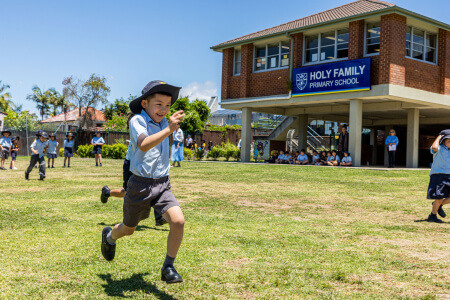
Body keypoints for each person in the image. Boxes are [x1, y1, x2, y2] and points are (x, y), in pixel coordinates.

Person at [101, 80, 186, 284]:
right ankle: (109, 237)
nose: (164, 109)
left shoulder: (166, 123)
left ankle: (168, 266)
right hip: (140, 184)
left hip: (162, 183)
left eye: (167, 105)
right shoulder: (137, 121)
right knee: (128, 230)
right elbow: (144, 145)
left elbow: (164, 146)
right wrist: (169, 130)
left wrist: (169, 130)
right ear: (145, 103)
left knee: (178, 221)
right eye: (159, 104)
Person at [101, 114, 167, 226]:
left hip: (143, 164)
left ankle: (159, 216)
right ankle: (107, 192)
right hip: (131, 163)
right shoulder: (137, 129)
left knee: (155, 187)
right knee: (127, 192)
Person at [426, 130, 450, 223]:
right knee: (439, 197)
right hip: (438, 175)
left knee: (439, 200)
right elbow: (434, 147)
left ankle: (439, 204)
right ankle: (432, 216)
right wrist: (439, 137)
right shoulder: (439, 148)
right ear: (443, 141)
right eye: (449, 141)